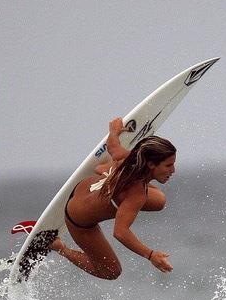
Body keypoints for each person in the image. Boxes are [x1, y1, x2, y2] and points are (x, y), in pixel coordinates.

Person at [49, 117, 176, 279]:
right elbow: (120, 232)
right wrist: (151, 255)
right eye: (168, 165)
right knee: (111, 272)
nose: (173, 170)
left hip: (83, 188)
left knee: (159, 201)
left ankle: (107, 171)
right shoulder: (137, 193)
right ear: (151, 164)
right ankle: (59, 247)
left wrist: (114, 131)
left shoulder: (130, 158)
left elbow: (112, 147)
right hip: (77, 220)